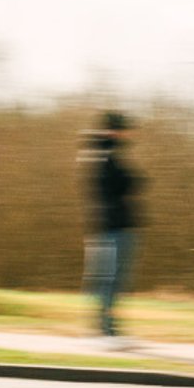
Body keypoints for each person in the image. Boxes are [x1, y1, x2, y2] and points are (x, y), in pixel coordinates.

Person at [80, 108, 144, 339]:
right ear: (115, 131)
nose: (129, 135)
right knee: (110, 277)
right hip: (111, 225)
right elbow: (120, 183)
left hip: (113, 224)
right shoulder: (104, 155)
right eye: (125, 130)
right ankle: (105, 328)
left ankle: (108, 326)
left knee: (112, 277)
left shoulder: (106, 153)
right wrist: (132, 179)